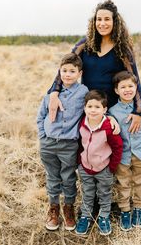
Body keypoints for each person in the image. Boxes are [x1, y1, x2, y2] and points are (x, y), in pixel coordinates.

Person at [48, 0, 141, 133]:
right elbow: (66, 68)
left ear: (115, 22)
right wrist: (54, 93)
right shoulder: (84, 45)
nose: (102, 23)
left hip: (113, 109)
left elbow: (134, 78)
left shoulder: (123, 49)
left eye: (107, 19)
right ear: (94, 22)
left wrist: (139, 111)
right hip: (88, 106)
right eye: (99, 19)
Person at [37, 53, 88, 231]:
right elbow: (41, 116)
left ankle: (68, 208)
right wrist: (43, 136)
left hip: (69, 145)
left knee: (68, 177)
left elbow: (89, 112)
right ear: (59, 72)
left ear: (79, 73)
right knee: (52, 177)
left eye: (72, 71)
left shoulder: (83, 93)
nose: (67, 74)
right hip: (49, 143)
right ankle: (53, 209)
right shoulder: (51, 93)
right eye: (64, 71)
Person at [108, 71, 141, 231]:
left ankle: (139, 209)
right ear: (116, 90)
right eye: (123, 87)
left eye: (131, 86)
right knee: (123, 183)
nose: (127, 90)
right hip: (122, 156)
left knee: (140, 182)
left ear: (136, 88)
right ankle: (125, 211)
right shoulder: (113, 111)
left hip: (140, 154)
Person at [75, 90, 123, 236]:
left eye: (97, 107)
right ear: (84, 108)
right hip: (85, 167)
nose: (93, 110)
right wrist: (79, 162)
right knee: (88, 193)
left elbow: (118, 147)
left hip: (104, 169)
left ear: (104, 110)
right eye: (90, 107)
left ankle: (104, 217)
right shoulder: (82, 124)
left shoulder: (108, 128)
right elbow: (79, 144)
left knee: (104, 194)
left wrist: (112, 167)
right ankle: (86, 217)